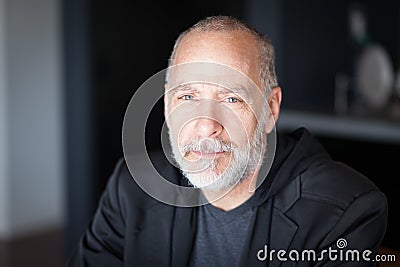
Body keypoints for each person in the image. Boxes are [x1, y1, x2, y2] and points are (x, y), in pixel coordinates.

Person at [67, 16, 387, 266]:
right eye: (188, 95)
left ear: (270, 109)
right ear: (167, 105)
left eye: (232, 99)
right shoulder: (132, 186)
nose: (205, 125)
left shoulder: (346, 210)